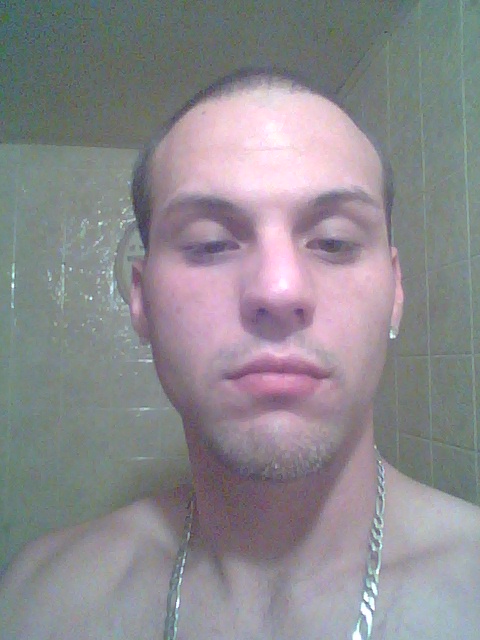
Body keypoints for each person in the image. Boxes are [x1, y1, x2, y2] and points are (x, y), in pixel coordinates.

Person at [1, 68, 480, 640]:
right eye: (209, 245)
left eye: (334, 241)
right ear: (141, 300)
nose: (278, 289)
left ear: (395, 291)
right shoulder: (40, 602)